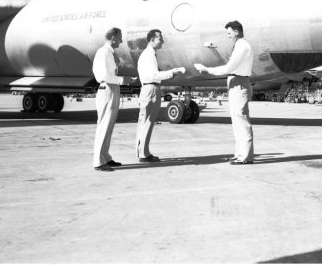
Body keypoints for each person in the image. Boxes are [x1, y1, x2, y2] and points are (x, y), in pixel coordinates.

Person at [194, 20, 254, 165]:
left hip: (239, 83)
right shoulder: (239, 45)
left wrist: (207, 69)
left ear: (236, 32)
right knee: (236, 121)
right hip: (235, 83)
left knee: (241, 121)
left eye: (229, 33)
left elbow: (228, 68)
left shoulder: (242, 46)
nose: (228, 36)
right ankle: (239, 153)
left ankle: (245, 156)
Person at [137, 29, 185, 162]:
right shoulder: (148, 55)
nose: (162, 41)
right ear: (152, 40)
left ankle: (143, 152)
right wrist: (172, 72)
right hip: (150, 89)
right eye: (160, 38)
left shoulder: (149, 54)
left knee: (147, 122)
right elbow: (154, 75)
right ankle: (143, 154)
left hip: (151, 88)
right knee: (147, 122)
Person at [92, 27, 136, 171]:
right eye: (120, 37)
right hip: (107, 89)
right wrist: (124, 79)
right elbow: (104, 76)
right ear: (113, 38)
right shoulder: (104, 52)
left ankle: (105, 157)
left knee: (108, 127)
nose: (122, 40)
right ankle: (98, 161)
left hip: (112, 88)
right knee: (103, 126)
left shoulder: (109, 53)